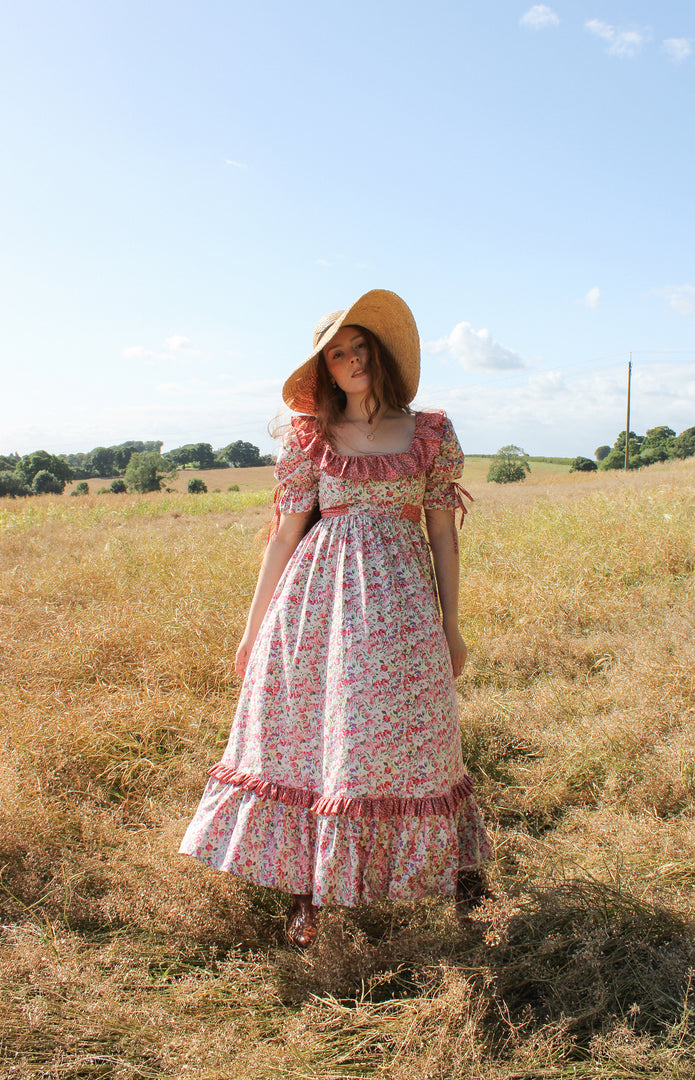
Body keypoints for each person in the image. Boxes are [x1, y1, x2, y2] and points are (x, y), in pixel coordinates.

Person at [179, 289, 492, 947]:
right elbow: (284, 537)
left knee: (421, 734)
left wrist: (452, 624)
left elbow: (443, 535)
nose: (350, 361)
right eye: (337, 355)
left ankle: (462, 879)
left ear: (376, 354)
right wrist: (251, 628)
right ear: (325, 370)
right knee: (311, 741)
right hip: (316, 610)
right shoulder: (310, 438)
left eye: (358, 348)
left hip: (404, 609)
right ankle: (308, 894)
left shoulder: (430, 431)